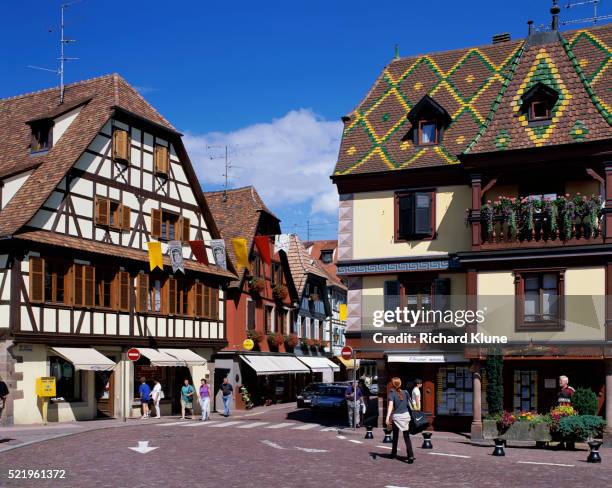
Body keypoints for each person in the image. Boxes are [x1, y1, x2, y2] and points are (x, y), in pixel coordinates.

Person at [385, 377, 415, 464]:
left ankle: (393, 453)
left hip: (397, 417)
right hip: (406, 417)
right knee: (407, 437)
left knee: (395, 436)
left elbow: (390, 406)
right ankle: (410, 456)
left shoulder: (392, 393)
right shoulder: (405, 392)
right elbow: (411, 404)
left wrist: (387, 418)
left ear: (393, 384)